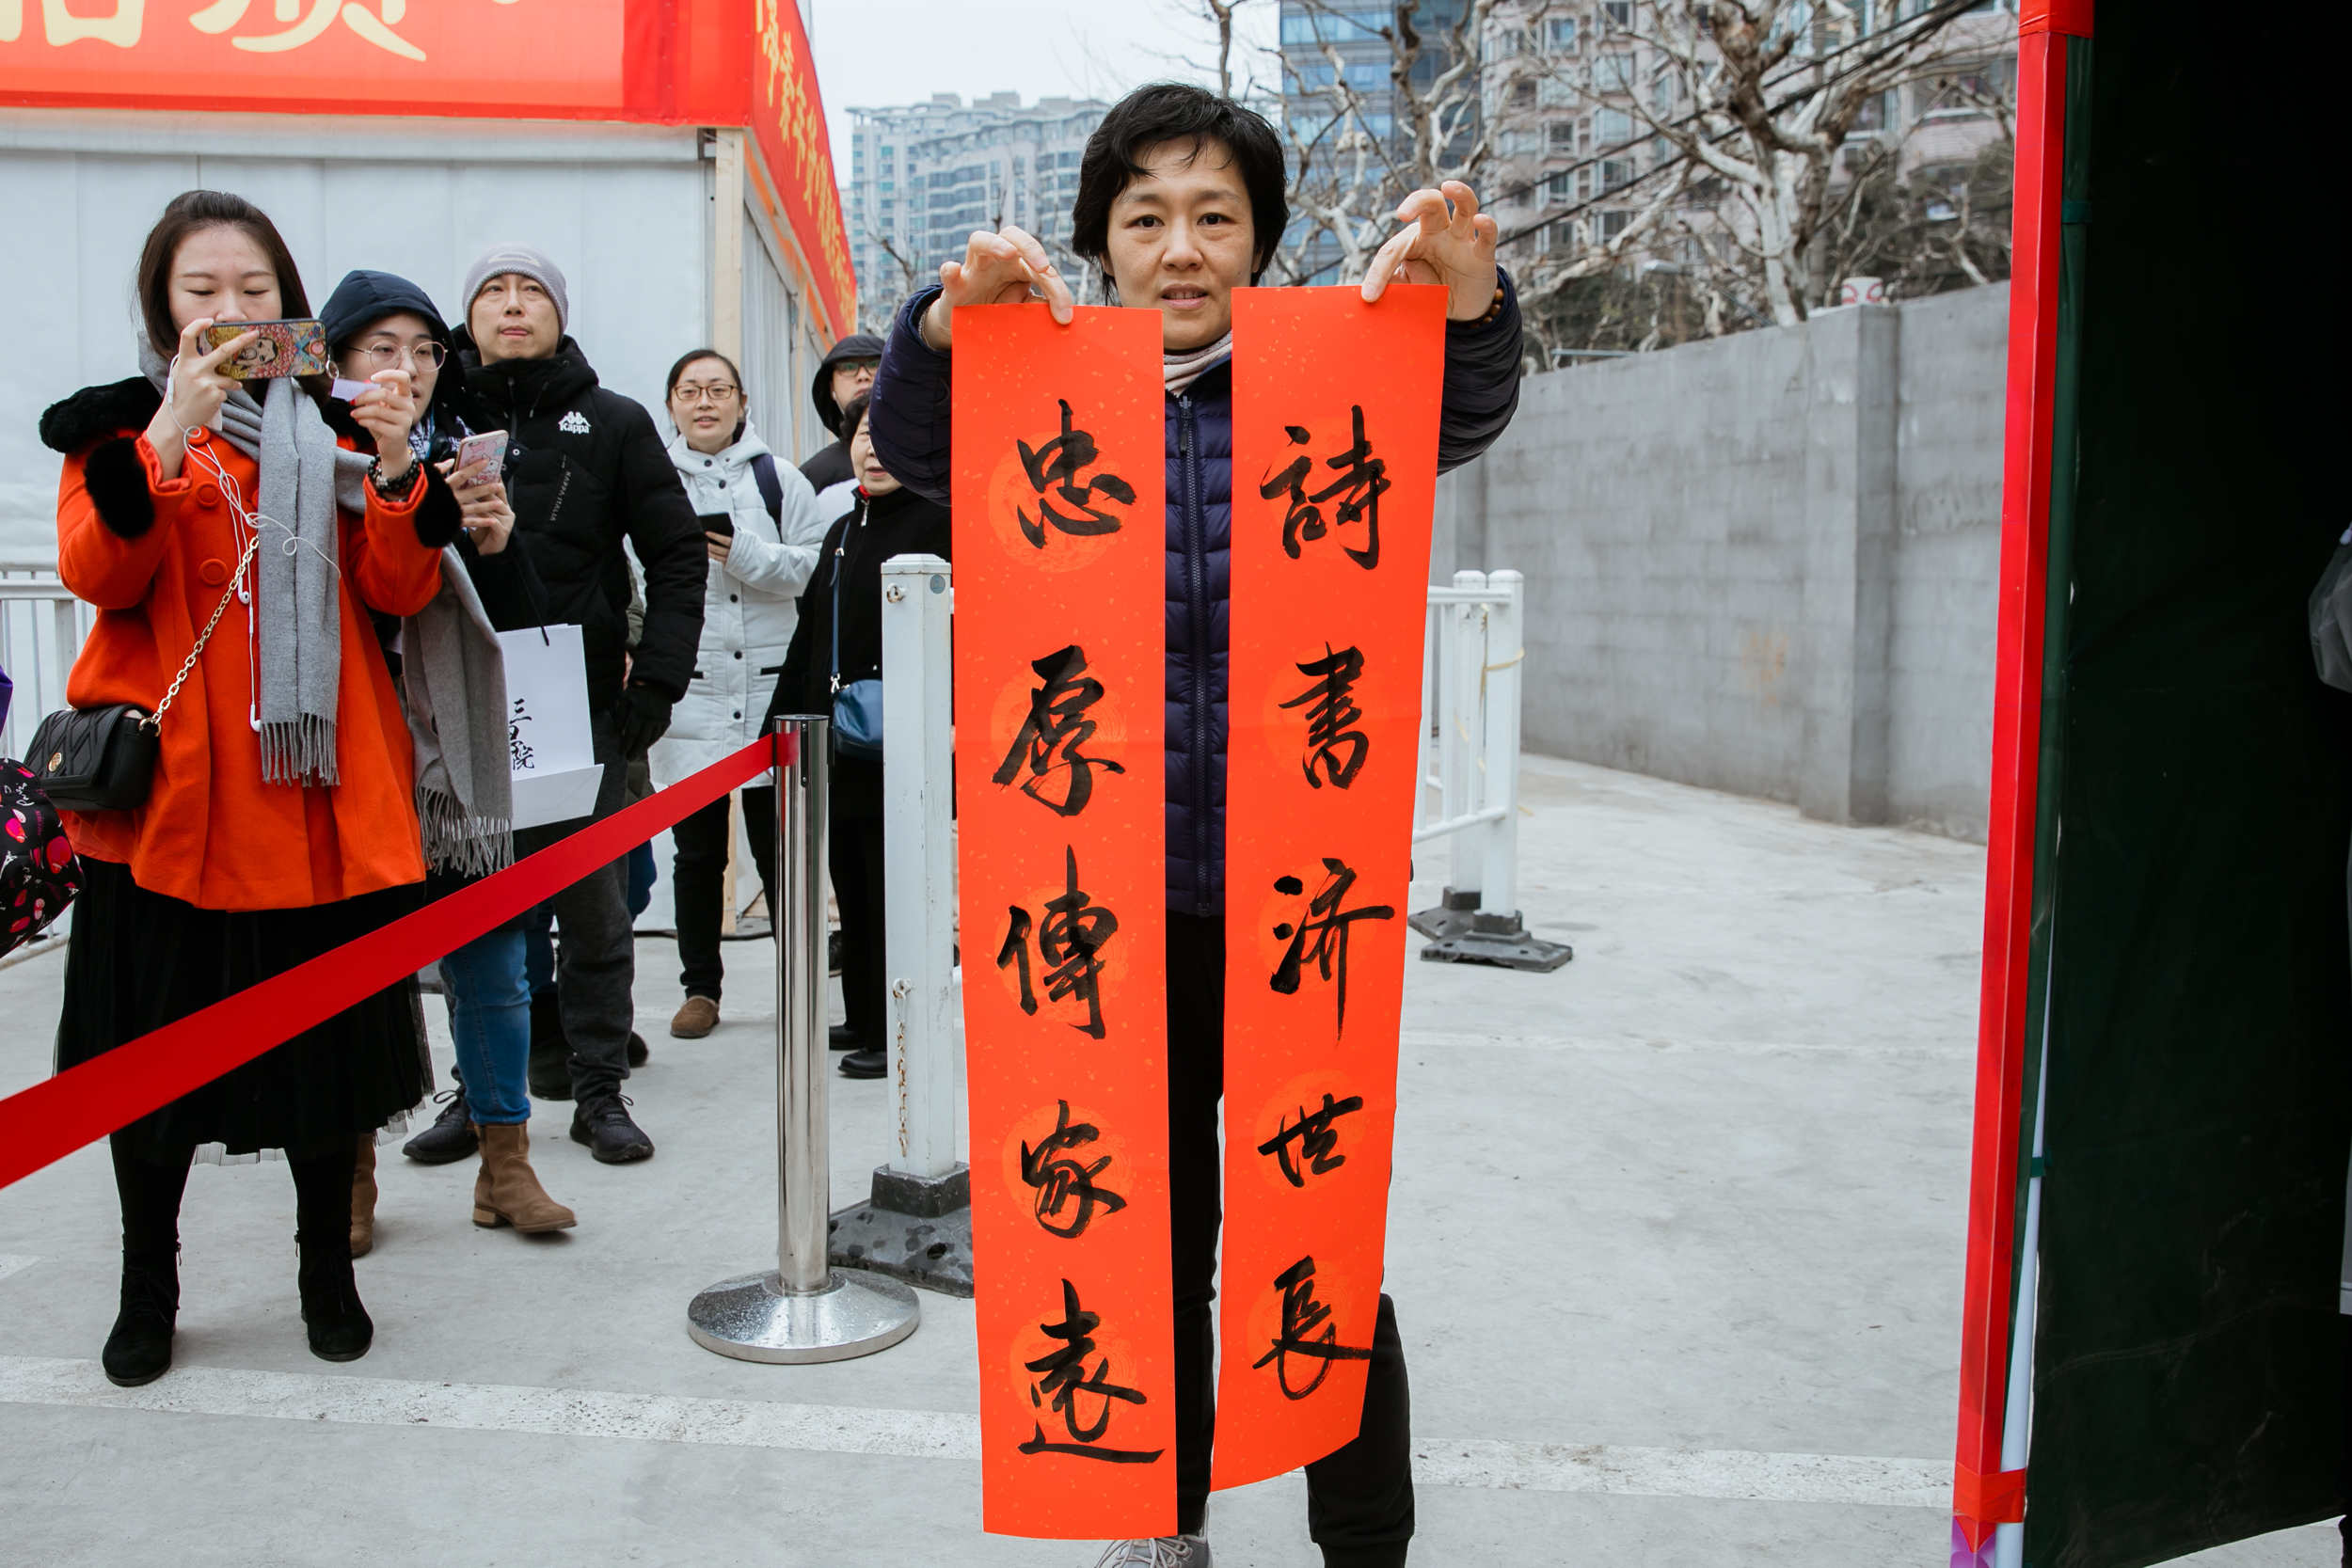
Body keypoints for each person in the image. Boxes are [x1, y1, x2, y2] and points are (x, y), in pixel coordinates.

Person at [866, 84, 1523, 1568]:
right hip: (1113, 909)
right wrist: (936, 321)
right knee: (1129, 1232)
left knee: (1316, 1226)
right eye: (1145, 215)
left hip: (1301, 901)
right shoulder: (1034, 391)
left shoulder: (1335, 387)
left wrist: (1473, 309)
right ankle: (1158, 1520)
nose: (1181, 246)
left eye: (1215, 216)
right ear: (1099, 240)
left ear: (1262, 243)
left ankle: (1365, 1536)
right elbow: (911, 437)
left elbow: (1465, 403)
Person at [40, 190, 462, 1386]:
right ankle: (147, 1282)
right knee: (153, 1075)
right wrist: (168, 431)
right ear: (161, 309)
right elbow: (99, 569)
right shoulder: (112, 432)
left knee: (322, 1071)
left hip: (313, 802)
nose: (230, 310)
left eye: (253, 289)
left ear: (289, 303)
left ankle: (326, 1270)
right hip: (168, 812)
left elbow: (397, 593)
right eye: (200, 291)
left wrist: (392, 464)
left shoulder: (329, 430)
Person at [314, 269, 577, 1243]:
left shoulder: (455, 462)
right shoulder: (312, 465)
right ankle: (351, 1176)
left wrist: (501, 545)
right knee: (363, 977)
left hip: (457, 766)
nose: (409, 368)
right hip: (352, 766)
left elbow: (519, 626)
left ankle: (504, 1167)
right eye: (382, 349)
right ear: (336, 361)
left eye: (424, 352)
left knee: (498, 970)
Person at [447, 243, 706, 1163]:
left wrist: (659, 682)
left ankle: (599, 1088)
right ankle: (476, 1092)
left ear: (559, 312)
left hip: (583, 699)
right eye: (493, 291)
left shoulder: (617, 420)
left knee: (594, 905)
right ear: (467, 313)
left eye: (532, 292)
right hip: (459, 701)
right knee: (476, 905)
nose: (513, 306)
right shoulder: (433, 417)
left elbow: (676, 555)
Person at [766, 393, 949, 1080]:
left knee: (890, 889)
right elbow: (810, 634)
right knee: (853, 883)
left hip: (905, 746)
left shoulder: (942, 520)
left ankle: (894, 1028)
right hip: (840, 746)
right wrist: (780, 728)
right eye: (863, 437)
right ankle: (864, 1013)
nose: (872, 450)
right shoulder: (842, 528)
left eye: (890, 435)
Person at [654, 348, 828, 1037]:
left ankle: (798, 984)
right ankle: (701, 988)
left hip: (769, 694)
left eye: (719, 389)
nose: (705, 402)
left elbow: (817, 571)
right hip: (688, 694)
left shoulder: (779, 479)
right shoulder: (651, 480)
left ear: (741, 401)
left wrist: (743, 552)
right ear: (671, 404)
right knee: (697, 853)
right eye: (690, 390)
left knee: (779, 847)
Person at [797, 333, 882, 492]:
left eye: (875, 364)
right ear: (831, 388)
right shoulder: (813, 476)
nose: (862, 376)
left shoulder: (926, 460)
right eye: (848, 367)